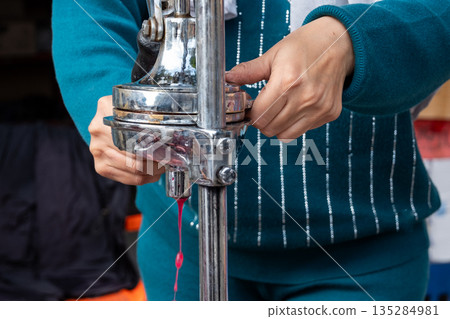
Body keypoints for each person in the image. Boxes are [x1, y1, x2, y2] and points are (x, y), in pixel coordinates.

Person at [52, 0, 450, 300]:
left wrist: (351, 42)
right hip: (180, 246)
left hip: (365, 255)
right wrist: (111, 106)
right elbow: (88, 13)